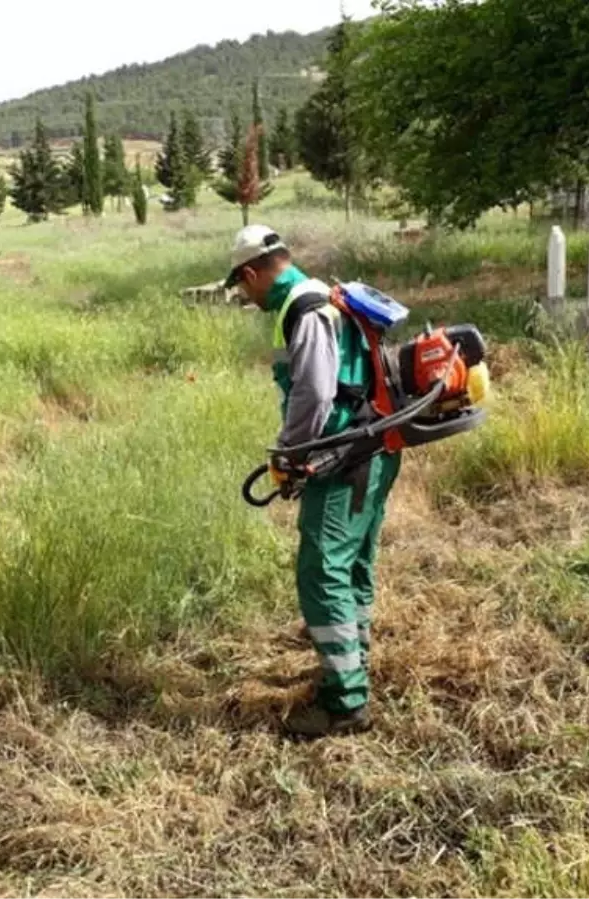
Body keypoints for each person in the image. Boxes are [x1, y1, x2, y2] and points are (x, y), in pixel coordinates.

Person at [225, 225, 402, 739]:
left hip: (343, 459)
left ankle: (344, 703)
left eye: (241, 285)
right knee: (351, 567)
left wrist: (290, 454)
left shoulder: (303, 308)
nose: (244, 295)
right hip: (373, 449)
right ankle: (352, 669)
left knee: (323, 572)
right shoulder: (326, 292)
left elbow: (316, 392)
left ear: (253, 273)